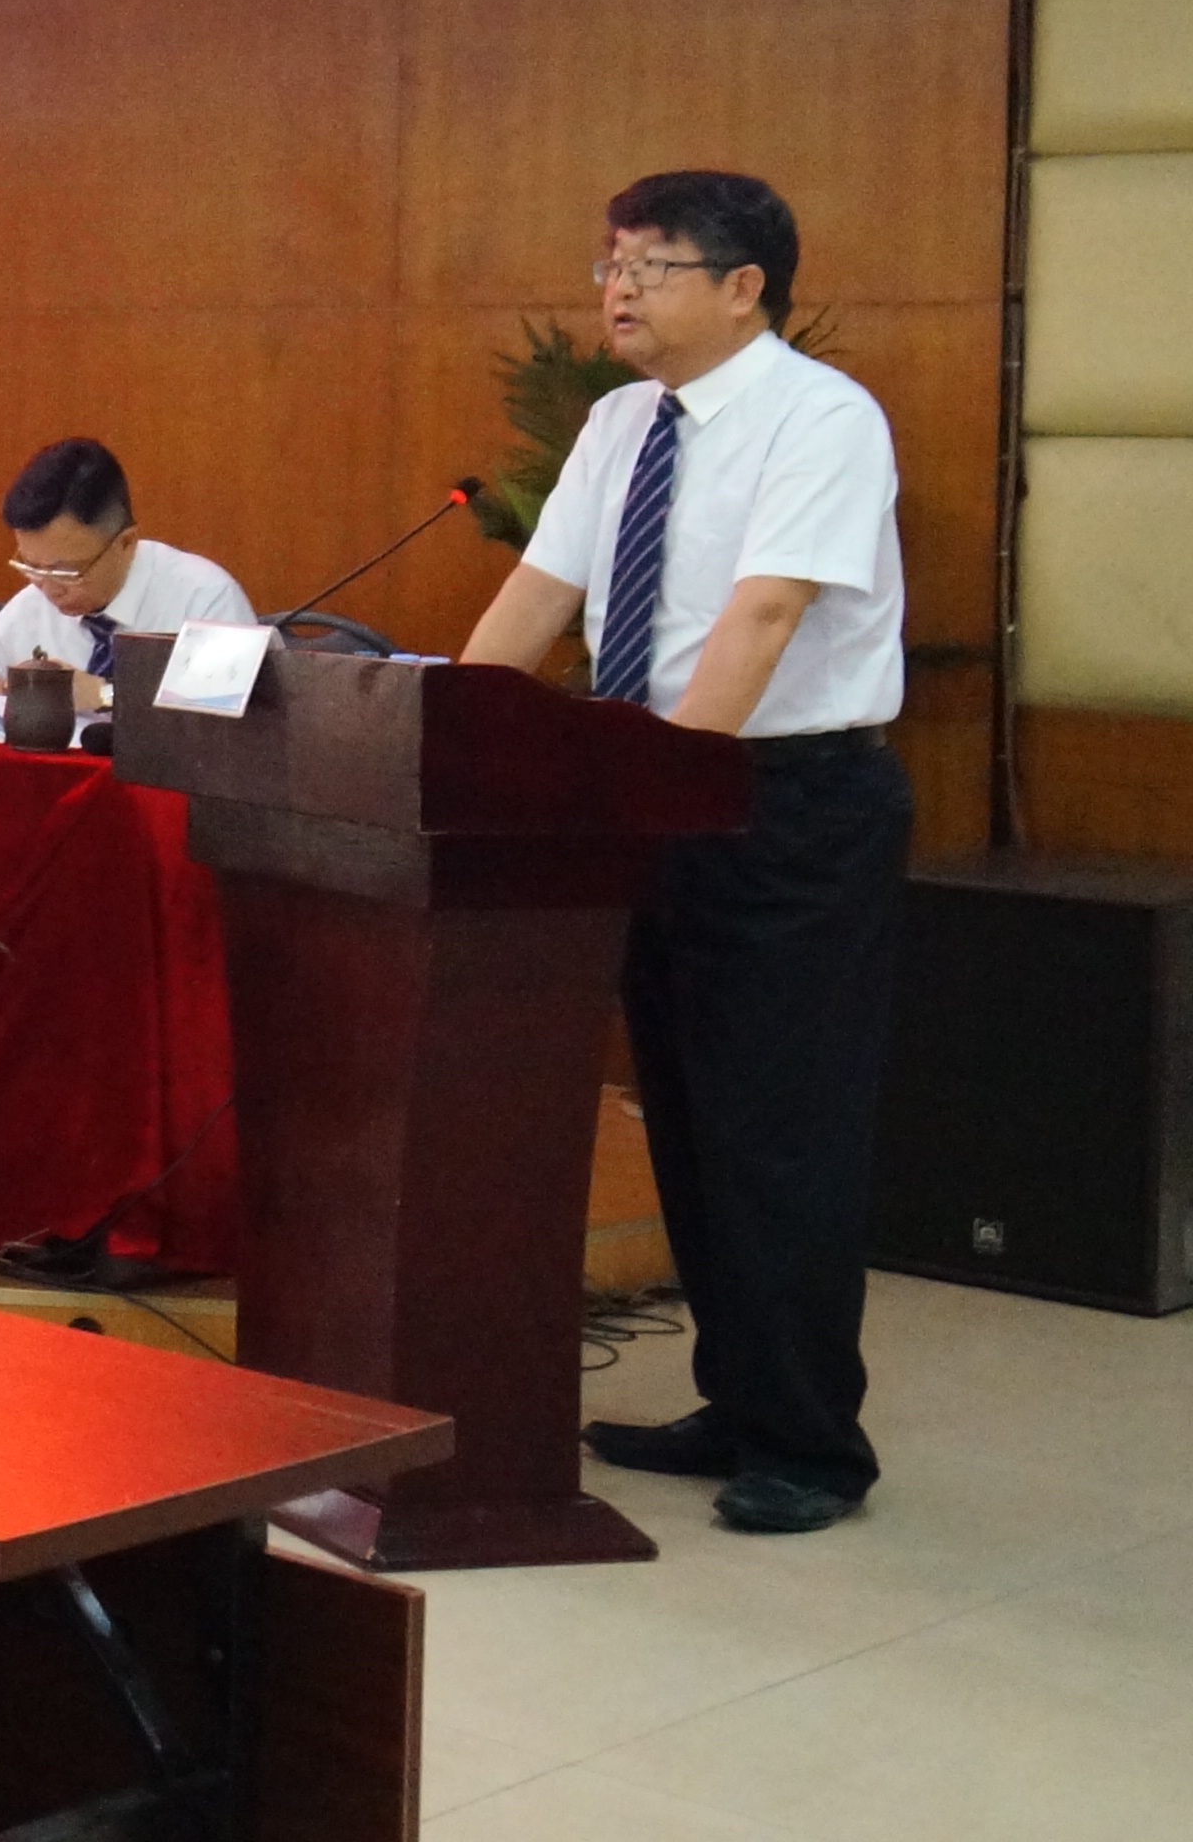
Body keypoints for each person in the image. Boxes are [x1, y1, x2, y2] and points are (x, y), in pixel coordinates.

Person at [462, 171, 908, 1539]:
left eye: (650, 266)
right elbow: (538, 593)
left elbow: (762, 617)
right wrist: (450, 740)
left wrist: (661, 785)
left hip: (785, 810)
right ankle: (741, 1396)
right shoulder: (619, 424)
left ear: (741, 287)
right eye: (610, 264)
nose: (617, 290)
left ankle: (812, 1445)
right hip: (658, 806)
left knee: (780, 1129)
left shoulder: (821, 418)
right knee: (695, 1117)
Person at [0, 439, 259, 700]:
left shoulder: (206, 600)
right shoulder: (25, 613)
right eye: (31, 566)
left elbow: (217, 732)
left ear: (126, 542)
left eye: (66, 572)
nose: (49, 589)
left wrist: (102, 696)